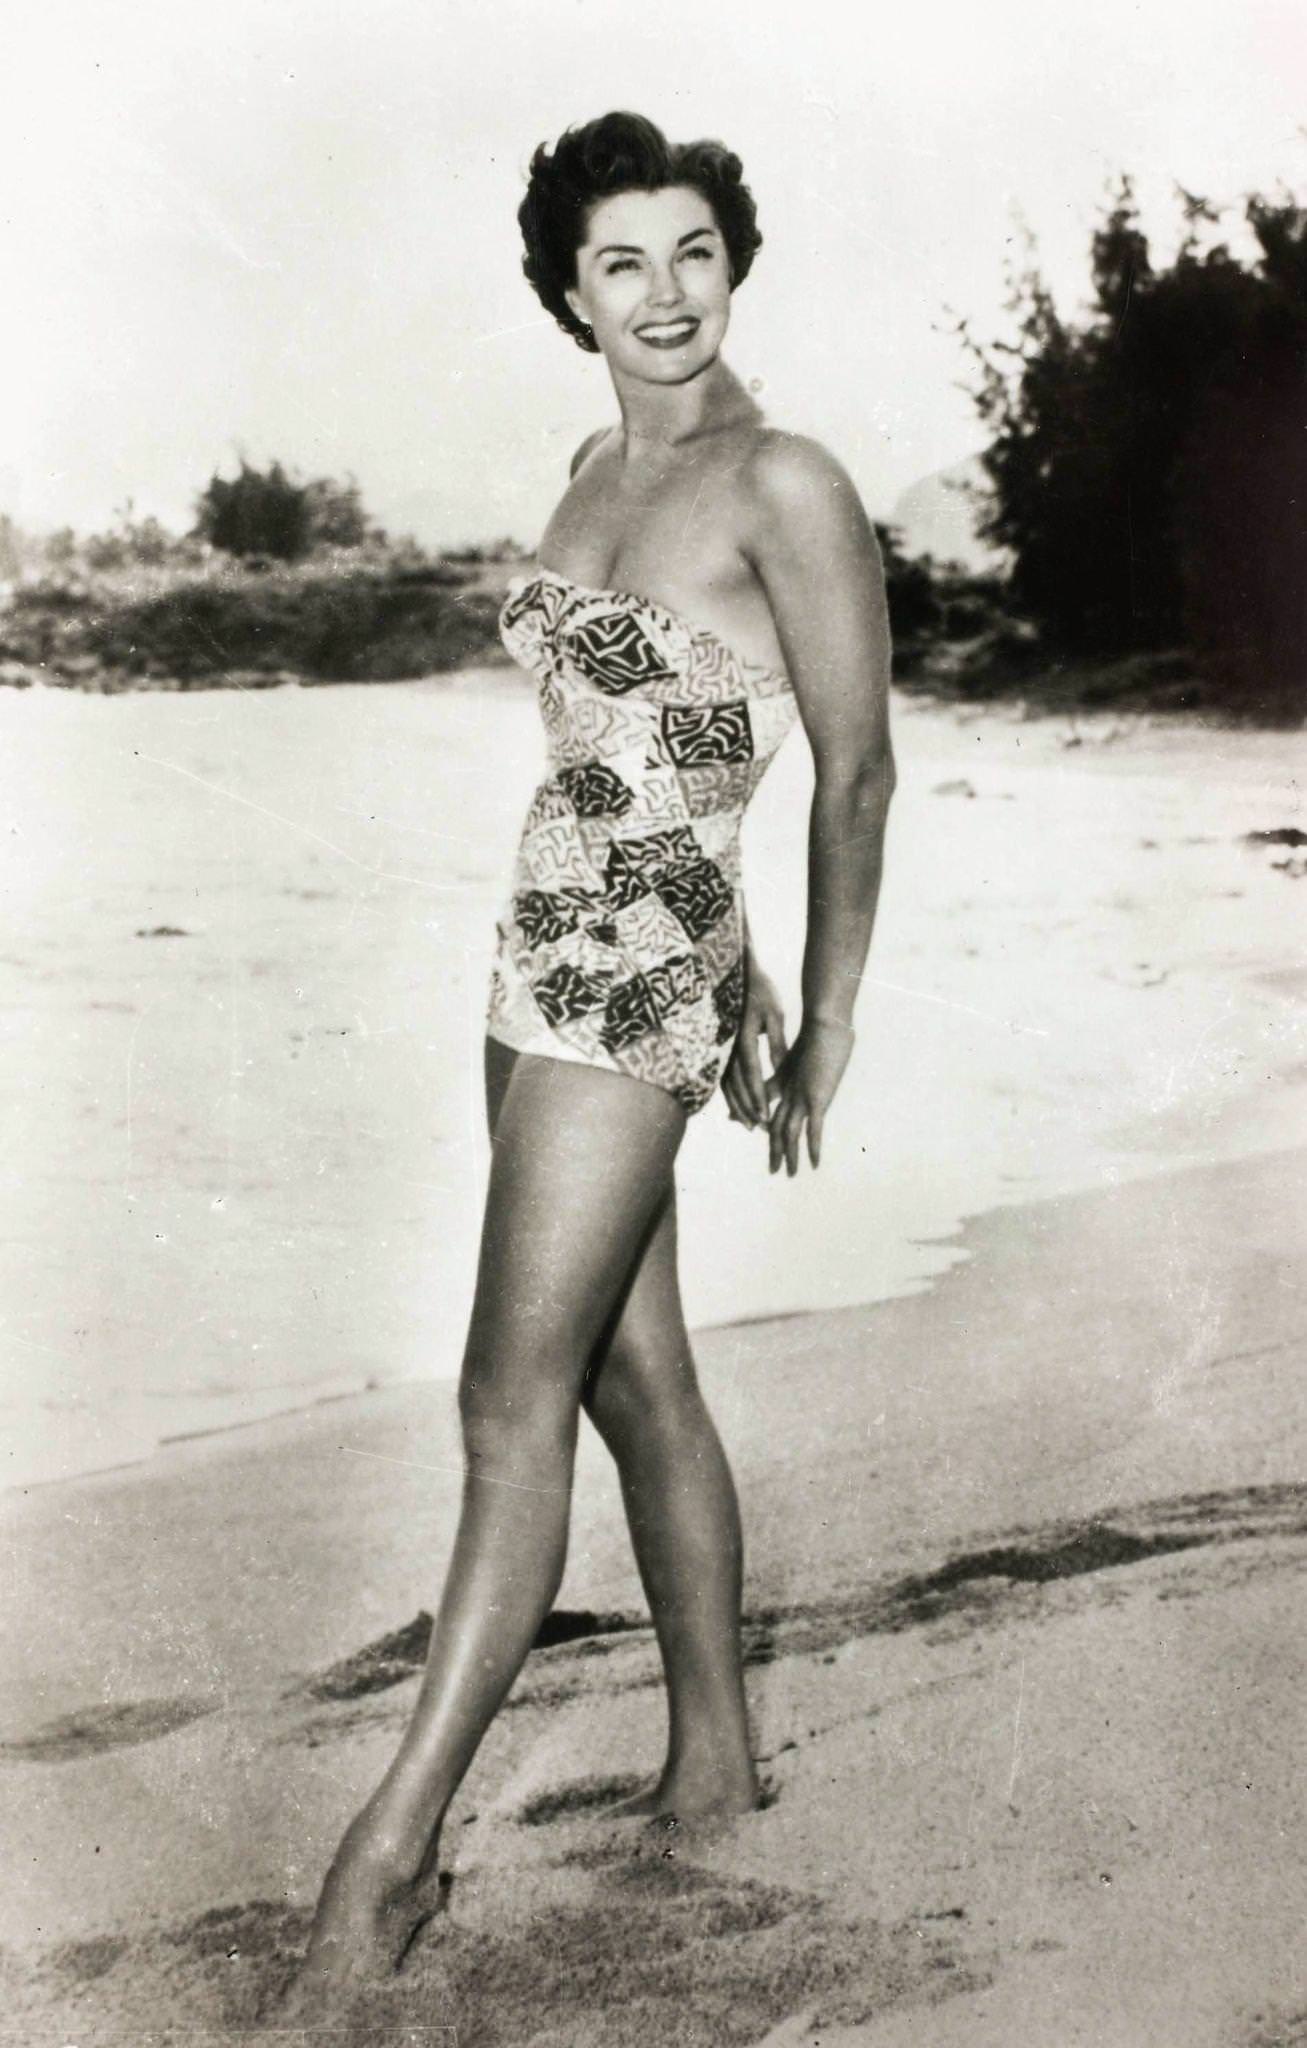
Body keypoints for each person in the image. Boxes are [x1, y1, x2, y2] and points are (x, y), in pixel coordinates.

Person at [275, 108, 895, 2020]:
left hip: (634, 982)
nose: (664, 292)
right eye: (621, 260)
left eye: (693, 249)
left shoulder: (781, 480)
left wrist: (824, 1005)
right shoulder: (583, 463)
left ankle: (389, 1856)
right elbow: (621, 768)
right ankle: (714, 1764)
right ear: (568, 291)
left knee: (502, 1399)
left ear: (736, 263)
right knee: (633, 1377)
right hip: (540, 942)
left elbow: (852, 768)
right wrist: (742, 960)